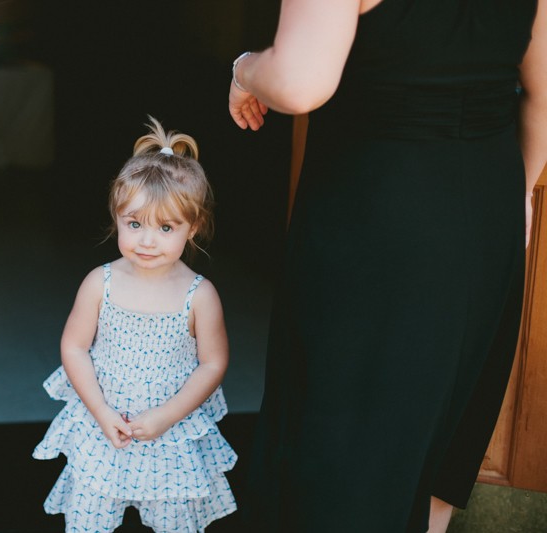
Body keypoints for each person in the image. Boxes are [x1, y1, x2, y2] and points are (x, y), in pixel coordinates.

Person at [228, 1, 546, 532]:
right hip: (487, 203)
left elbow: (302, 81)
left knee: (343, 448)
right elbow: (543, 91)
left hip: (378, 213)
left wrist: (243, 69)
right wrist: (523, 192)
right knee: (436, 432)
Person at [33, 116, 237, 532]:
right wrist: (101, 410)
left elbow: (212, 364)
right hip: (104, 429)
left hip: (171, 435)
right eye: (135, 224)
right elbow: (73, 347)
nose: (147, 240)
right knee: (89, 520)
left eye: (166, 227)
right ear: (118, 216)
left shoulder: (199, 295)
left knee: (175, 521)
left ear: (192, 227)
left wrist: (167, 416)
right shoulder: (99, 283)